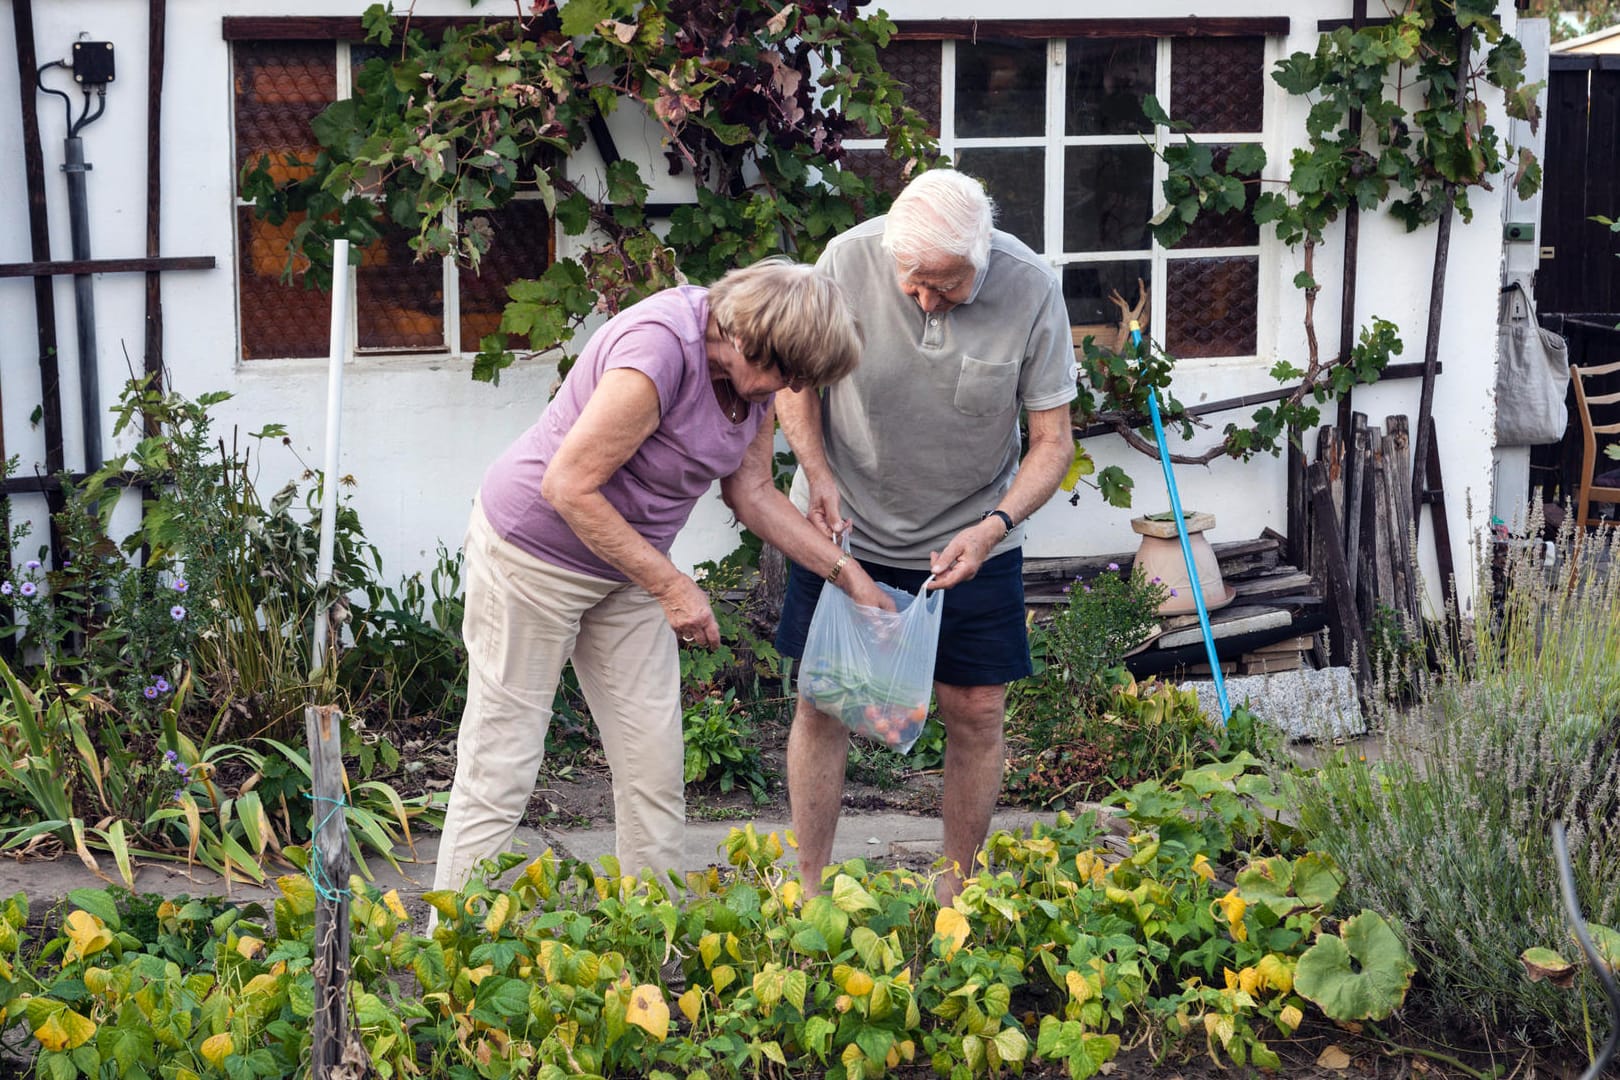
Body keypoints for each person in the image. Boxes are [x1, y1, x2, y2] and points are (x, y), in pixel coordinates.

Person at [432, 258, 892, 898]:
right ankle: (450, 952)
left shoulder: (751, 383)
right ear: (753, 341)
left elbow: (754, 492)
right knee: (501, 763)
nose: (792, 390)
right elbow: (566, 486)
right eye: (791, 374)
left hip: (627, 569)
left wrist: (850, 577)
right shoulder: (658, 350)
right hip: (533, 558)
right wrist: (673, 586)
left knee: (653, 765)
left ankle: (652, 947)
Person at [775, 169, 1078, 905]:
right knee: (824, 702)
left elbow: (1052, 441)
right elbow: (791, 384)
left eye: (944, 285)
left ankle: (955, 895)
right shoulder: (846, 263)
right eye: (912, 281)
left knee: (976, 711)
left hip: (974, 539)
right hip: (847, 527)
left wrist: (995, 525)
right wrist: (816, 473)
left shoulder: (1031, 286)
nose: (924, 300)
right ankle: (807, 889)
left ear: (981, 255)